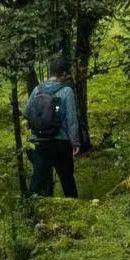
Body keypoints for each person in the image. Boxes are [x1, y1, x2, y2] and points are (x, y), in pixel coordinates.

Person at [25, 56, 81, 198]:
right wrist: (75, 143)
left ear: (50, 72)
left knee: (37, 180)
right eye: (67, 74)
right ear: (63, 74)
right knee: (67, 179)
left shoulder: (37, 89)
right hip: (61, 143)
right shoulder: (67, 91)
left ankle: (31, 211)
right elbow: (72, 120)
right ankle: (75, 211)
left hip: (40, 141)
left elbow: (26, 112)